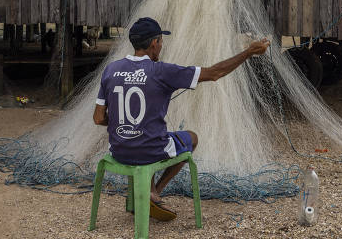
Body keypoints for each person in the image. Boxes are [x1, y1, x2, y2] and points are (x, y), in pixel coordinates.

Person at [93, 17, 270, 221]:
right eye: (161, 41)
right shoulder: (163, 71)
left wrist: (124, 124)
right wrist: (248, 52)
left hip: (119, 151)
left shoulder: (111, 70)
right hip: (150, 150)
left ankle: (147, 192)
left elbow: (98, 119)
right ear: (154, 43)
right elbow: (214, 73)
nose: (161, 46)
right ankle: (155, 191)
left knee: (148, 137)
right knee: (191, 138)